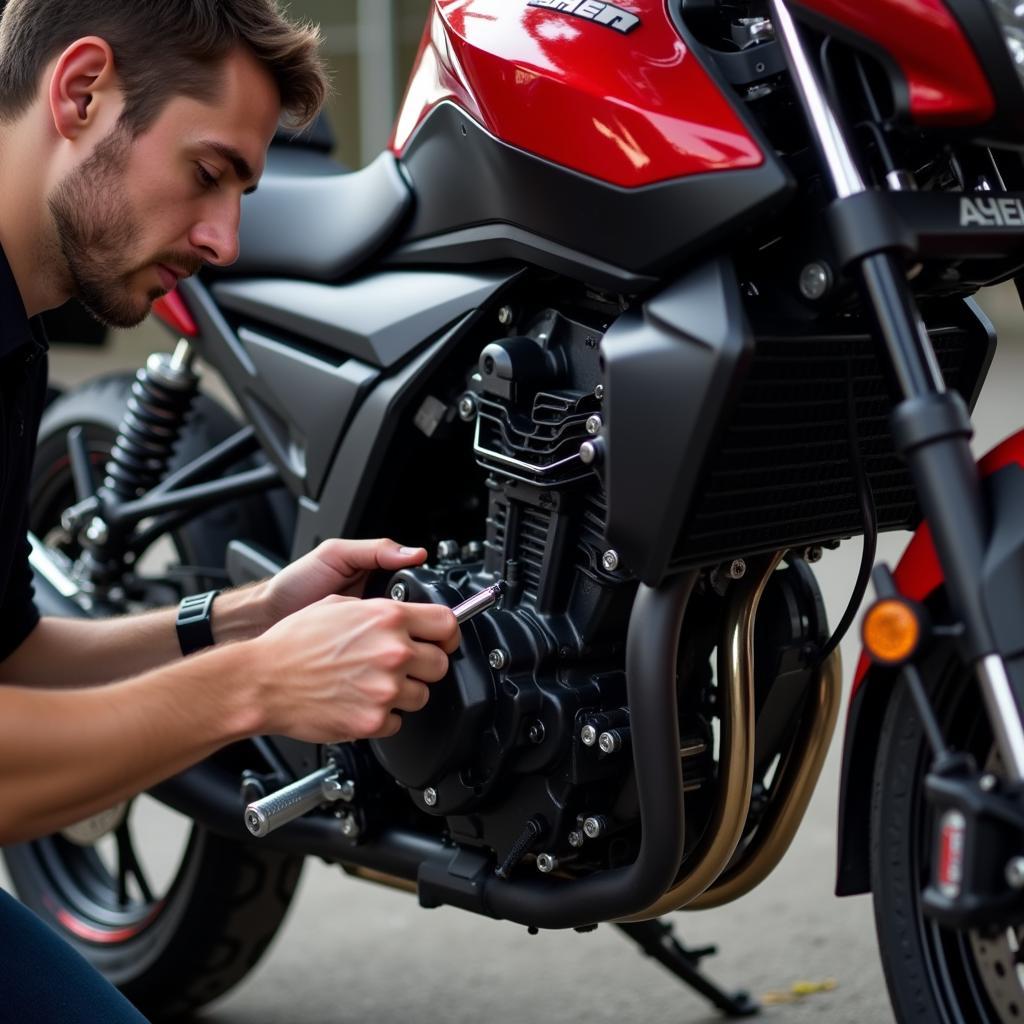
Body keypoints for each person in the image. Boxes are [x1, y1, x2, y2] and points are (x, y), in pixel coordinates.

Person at [0, 1, 459, 1019]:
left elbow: (14, 659)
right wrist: (256, 687)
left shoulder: (16, 332)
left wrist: (250, 616)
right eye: (207, 173)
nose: (224, 238)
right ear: (81, 93)